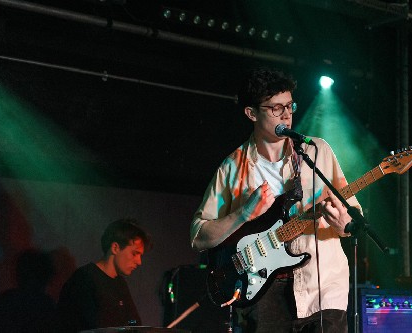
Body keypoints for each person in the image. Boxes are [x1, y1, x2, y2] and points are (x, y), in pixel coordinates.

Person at [190, 67, 362, 333]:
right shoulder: (232, 169)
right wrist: (243, 214)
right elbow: (199, 236)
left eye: (290, 106)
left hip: (323, 285)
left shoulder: (317, 152)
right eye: (275, 108)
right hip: (263, 292)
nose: (286, 114)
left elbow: (351, 214)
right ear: (251, 113)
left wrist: (343, 223)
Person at [55, 218, 152, 332]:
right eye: (135, 253)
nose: (139, 261)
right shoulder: (84, 279)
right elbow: (92, 325)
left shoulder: (120, 284)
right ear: (115, 248)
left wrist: (132, 326)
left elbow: (133, 321)